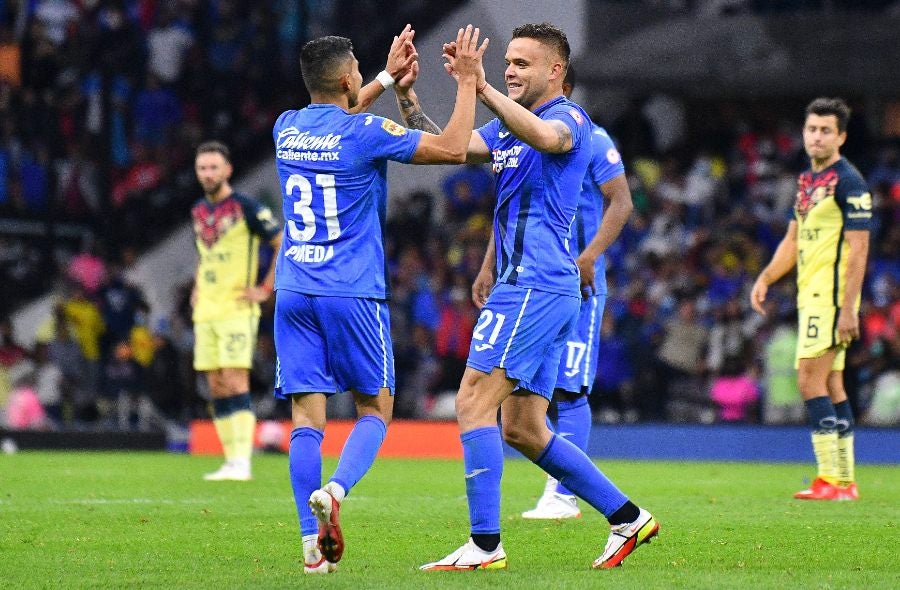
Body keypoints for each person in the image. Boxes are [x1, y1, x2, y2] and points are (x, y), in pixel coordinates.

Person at [400, 22, 656, 571]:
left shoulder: (569, 120)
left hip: (536, 286)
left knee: (472, 402)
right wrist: (407, 95)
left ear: (555, 71)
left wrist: (481, 86)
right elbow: (450, 148)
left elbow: (549, 141)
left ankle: (485, 546)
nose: (510, 71)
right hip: (527, 285)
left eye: (521, 63)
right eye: (506, 63)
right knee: (523, 427)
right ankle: (627, 518)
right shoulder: (507, 132)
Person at [271, 26, 486, 574]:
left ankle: (310, 551)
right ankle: (337, 489)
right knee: (375, 408)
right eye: (360, 73)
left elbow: (339, 116)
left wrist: (387, 78)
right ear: (348, 78)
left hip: (294, 288)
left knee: (306, 419)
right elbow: (454, 148)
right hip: (351, 291)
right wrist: (464, 82)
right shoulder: (365, 133)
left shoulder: (286, 128)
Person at [518, 65, 635, 520]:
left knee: (571, 390)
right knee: (529, 394)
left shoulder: (593, 137)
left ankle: (564, 495)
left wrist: (588, 256)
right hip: (532, 281)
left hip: (578, 285)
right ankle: (559, 488)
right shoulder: (525, 138)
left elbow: (620, 201)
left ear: (562, 86)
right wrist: (490, 263)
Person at [751, 97, 872, 501]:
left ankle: (830, 479)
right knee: (832, 384)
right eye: (812, 129)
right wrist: (767, 276)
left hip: (832, 298)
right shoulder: (807, 181)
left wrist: (847, 308)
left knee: (808, 378)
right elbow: (792, 238)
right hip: (812, 294)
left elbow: (858, 250)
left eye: (825, 130)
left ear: (841, 136)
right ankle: (843, 481)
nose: (817, 136)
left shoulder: (850, 182)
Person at [191, 140, 282, 481]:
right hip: (207, 309)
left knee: (234, 377)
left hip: (236, 307)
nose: (208, 173)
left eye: (214, 167)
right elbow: (206, 255)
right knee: (214, 383)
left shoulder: (246, 207)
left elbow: (281, 241)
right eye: (203, 168)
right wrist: (199, 286)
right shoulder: (198, 210)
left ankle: (243, 460)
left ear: (228, 170)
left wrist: (265, 287)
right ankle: (230, 459)